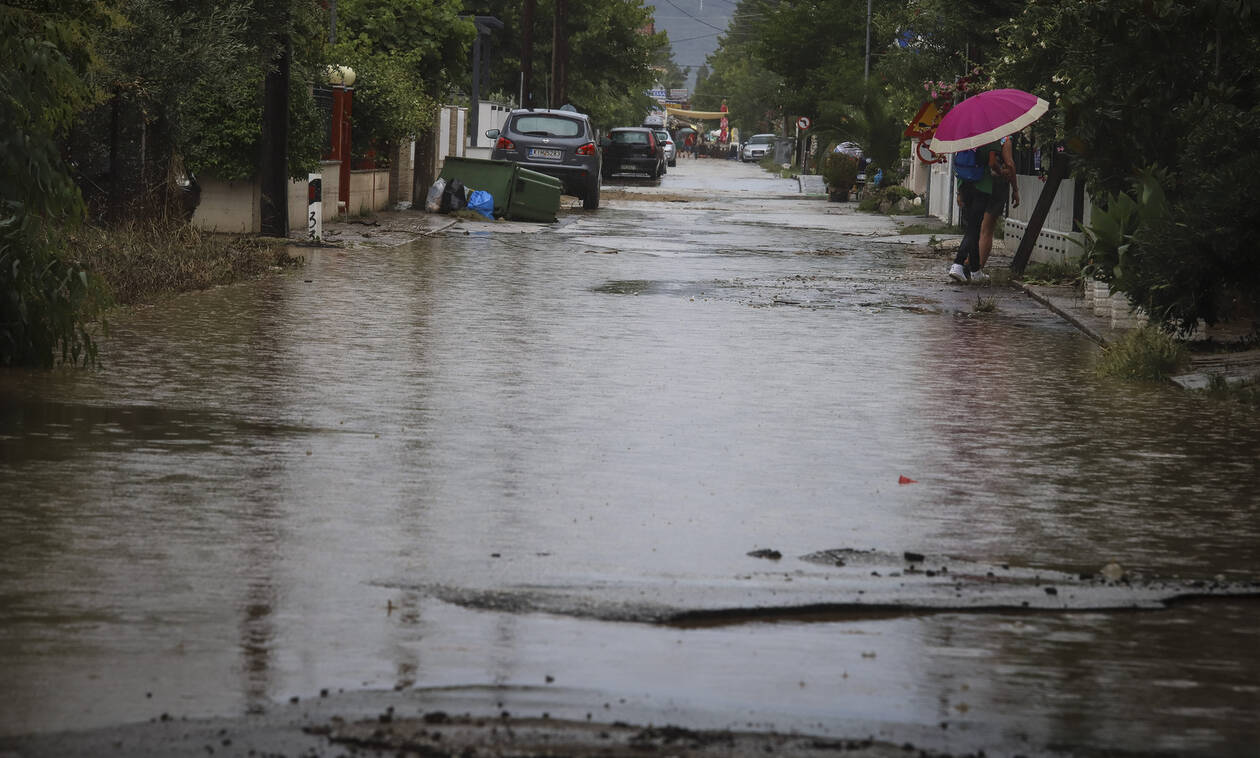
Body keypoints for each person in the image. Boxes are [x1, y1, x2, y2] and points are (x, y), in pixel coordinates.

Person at [948, 140, 1002, 284]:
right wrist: (1001, 171)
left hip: (965, 185)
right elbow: (992, 163)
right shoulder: (991, 137)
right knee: (973, 229)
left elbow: (959, 165)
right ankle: (958, 264)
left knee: (973, 228)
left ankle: (975, 271)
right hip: (982, 186)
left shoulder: (966, 137)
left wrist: (959, 192)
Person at [977, 136, 1021, 273]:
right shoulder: (1004, 139)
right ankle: (977, 268)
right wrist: (1015, 189)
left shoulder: (980, 136)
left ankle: (966, 262)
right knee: (987, 230)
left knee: (976, 227)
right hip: (996, 186)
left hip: (977, 183)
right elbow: (1010, 164)